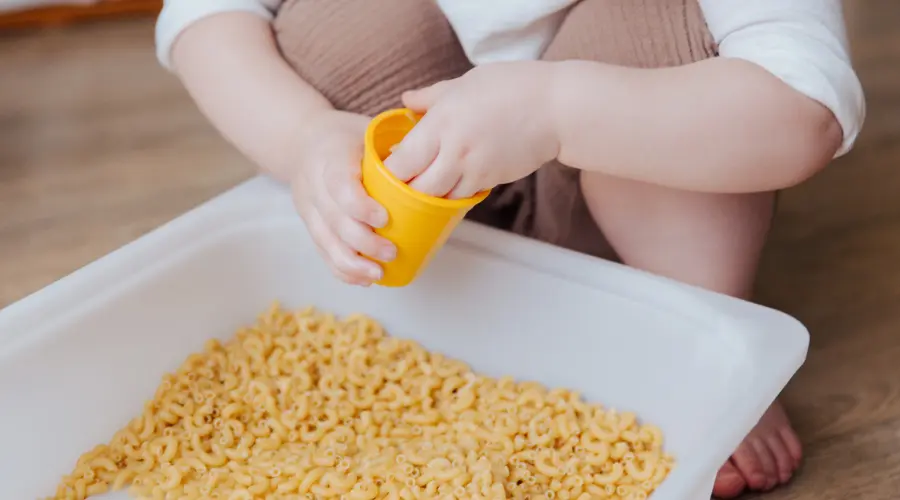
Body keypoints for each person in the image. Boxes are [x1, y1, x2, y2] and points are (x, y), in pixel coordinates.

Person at [155, 0, 865, 497]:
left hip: (629, 210)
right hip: (427, 217)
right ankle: (447, 298)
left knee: (662, 26)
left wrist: (556, 111)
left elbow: (804, 108)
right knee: (336, 25)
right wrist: (305, 136)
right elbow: (206, 20)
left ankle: (699, 337)